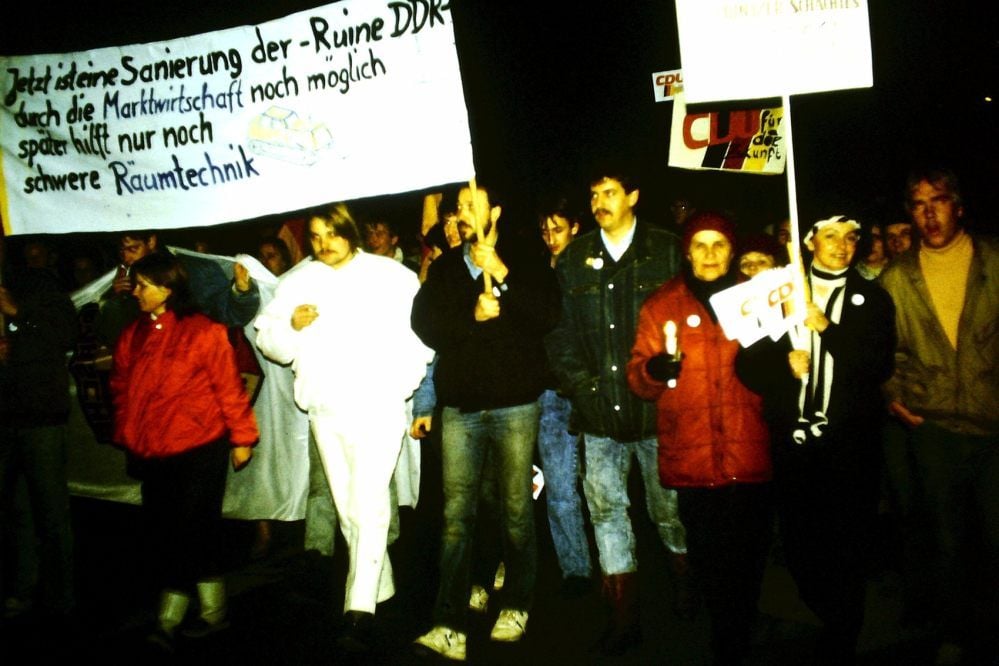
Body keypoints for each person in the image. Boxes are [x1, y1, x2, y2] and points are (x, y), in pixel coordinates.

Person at [254, 203, 431, 652]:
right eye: (315, 236)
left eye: (331, 234)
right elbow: (269, 341)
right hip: (326, 409)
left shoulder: (391, 277)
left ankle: (358, 612)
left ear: (348, 233)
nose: (323, 244)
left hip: (378, 406)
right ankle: (382, 590)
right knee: (348, 506)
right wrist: (290, 327)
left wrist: (402, 385)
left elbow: (420, 336)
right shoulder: (298, 281)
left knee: (369, 501)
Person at [411, 182, 560, 660]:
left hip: (516, 406)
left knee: (516, 511)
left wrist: (504, 277)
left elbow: (547, 316)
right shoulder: (449, 268)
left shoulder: (525, 256)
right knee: (457, 516)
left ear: (494, 210)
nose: (462, 214)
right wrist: (470, 315)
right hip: (461, 410)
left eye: (471, 206)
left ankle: (517, 602)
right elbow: (425, 325)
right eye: (457, 209)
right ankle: (449, 623)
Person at [545, 164, 689, 656]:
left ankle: (685, 586)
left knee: (668, 511)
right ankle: (624, 616)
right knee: (606, 511)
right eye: (593, 194)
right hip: (598, 414)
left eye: (609, 192)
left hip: (657, 412)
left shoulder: (667, 250)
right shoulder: (574, 258)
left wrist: (674, 380)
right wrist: (581, 388)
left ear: (633, 196)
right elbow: (558, 332)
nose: (599, 202)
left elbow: (690, 323)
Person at [738, 214, 896, 662]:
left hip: (849, 444)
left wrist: (827, 328)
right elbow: (747, 365)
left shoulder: (873, 299)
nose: (842, 246)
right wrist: (781, 368)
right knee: (801, 539)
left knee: (846, 540)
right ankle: (823, 605)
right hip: (794, 440)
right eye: (831, 235)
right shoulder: (780, 293)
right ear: (810, 242)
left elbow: (877, 367)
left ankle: (844, 627)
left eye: (851, 237)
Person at [628, 212, 773, 665]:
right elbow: (637, 376)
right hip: (693, 459)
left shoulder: (755, 299)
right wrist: (653, 371)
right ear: (686, 252)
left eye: (720, 246)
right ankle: (726, 633)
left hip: (747, 451)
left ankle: (737, 636)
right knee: (710, 560)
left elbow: (783, 361)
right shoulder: (660, 305)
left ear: (732, 252)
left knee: (747, 560)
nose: (710, 255)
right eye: (700, 245)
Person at [879, 167, 999, 664]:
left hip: (994, 426)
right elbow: (884, 352)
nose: (929, 213)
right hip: (934, 430)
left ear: (959, 206)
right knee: (946, 541)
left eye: (939, 201)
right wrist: (894, 395)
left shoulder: (994, 259)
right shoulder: (896, 277)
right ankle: (957, 631)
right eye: (917, 204)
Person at [110, 252, 259, 651]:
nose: (135, 291)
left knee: (192, 530)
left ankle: (172, 619)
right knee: (163, 530)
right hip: (155, 451)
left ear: (167, 288)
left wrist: (243, 438)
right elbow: (122, 389)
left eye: (143, 284)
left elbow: (230, 388)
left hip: (200, 447)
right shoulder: (133, 334)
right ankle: (212, 610)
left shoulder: (203, 331)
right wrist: (129, 433)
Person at [0, 236, 79, 626]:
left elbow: (63, 336)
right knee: (17, 512)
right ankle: (23, 587)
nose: (32, 257)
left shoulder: (48, 292)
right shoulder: (8, 280)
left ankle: (61, 597)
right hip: (7, 415)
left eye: (39, 250)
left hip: (41, 415)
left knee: (50, 510)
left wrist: (17, 315)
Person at [536, 197, 594, 596]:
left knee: (600, 484)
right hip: (551, 392)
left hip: (594, 388)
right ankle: (576, 569)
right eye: (545, 230)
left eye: (558, 229)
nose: (551, 238)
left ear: (575, 227)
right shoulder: (537, 273)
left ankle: (617, 566)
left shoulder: (593, 267)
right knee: (559, 484)